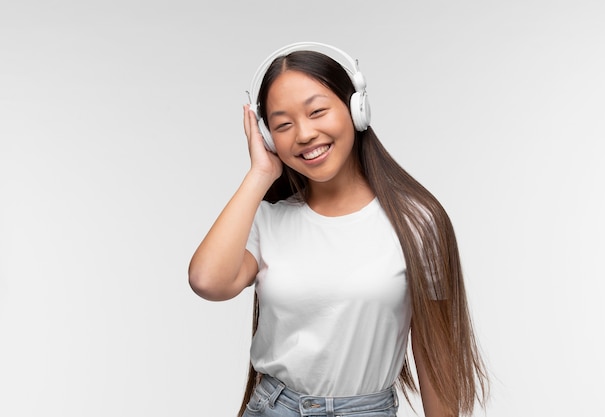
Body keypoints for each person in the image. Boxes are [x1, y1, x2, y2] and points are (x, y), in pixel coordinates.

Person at [188, 42, 488, 417]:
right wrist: (259, 174)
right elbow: (207, 281)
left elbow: (436, 353)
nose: (304, 134)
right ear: (267, 138)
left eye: (317, 111)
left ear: (356, 109)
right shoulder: (268, 220)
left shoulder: (419, 221)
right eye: (282, 125)